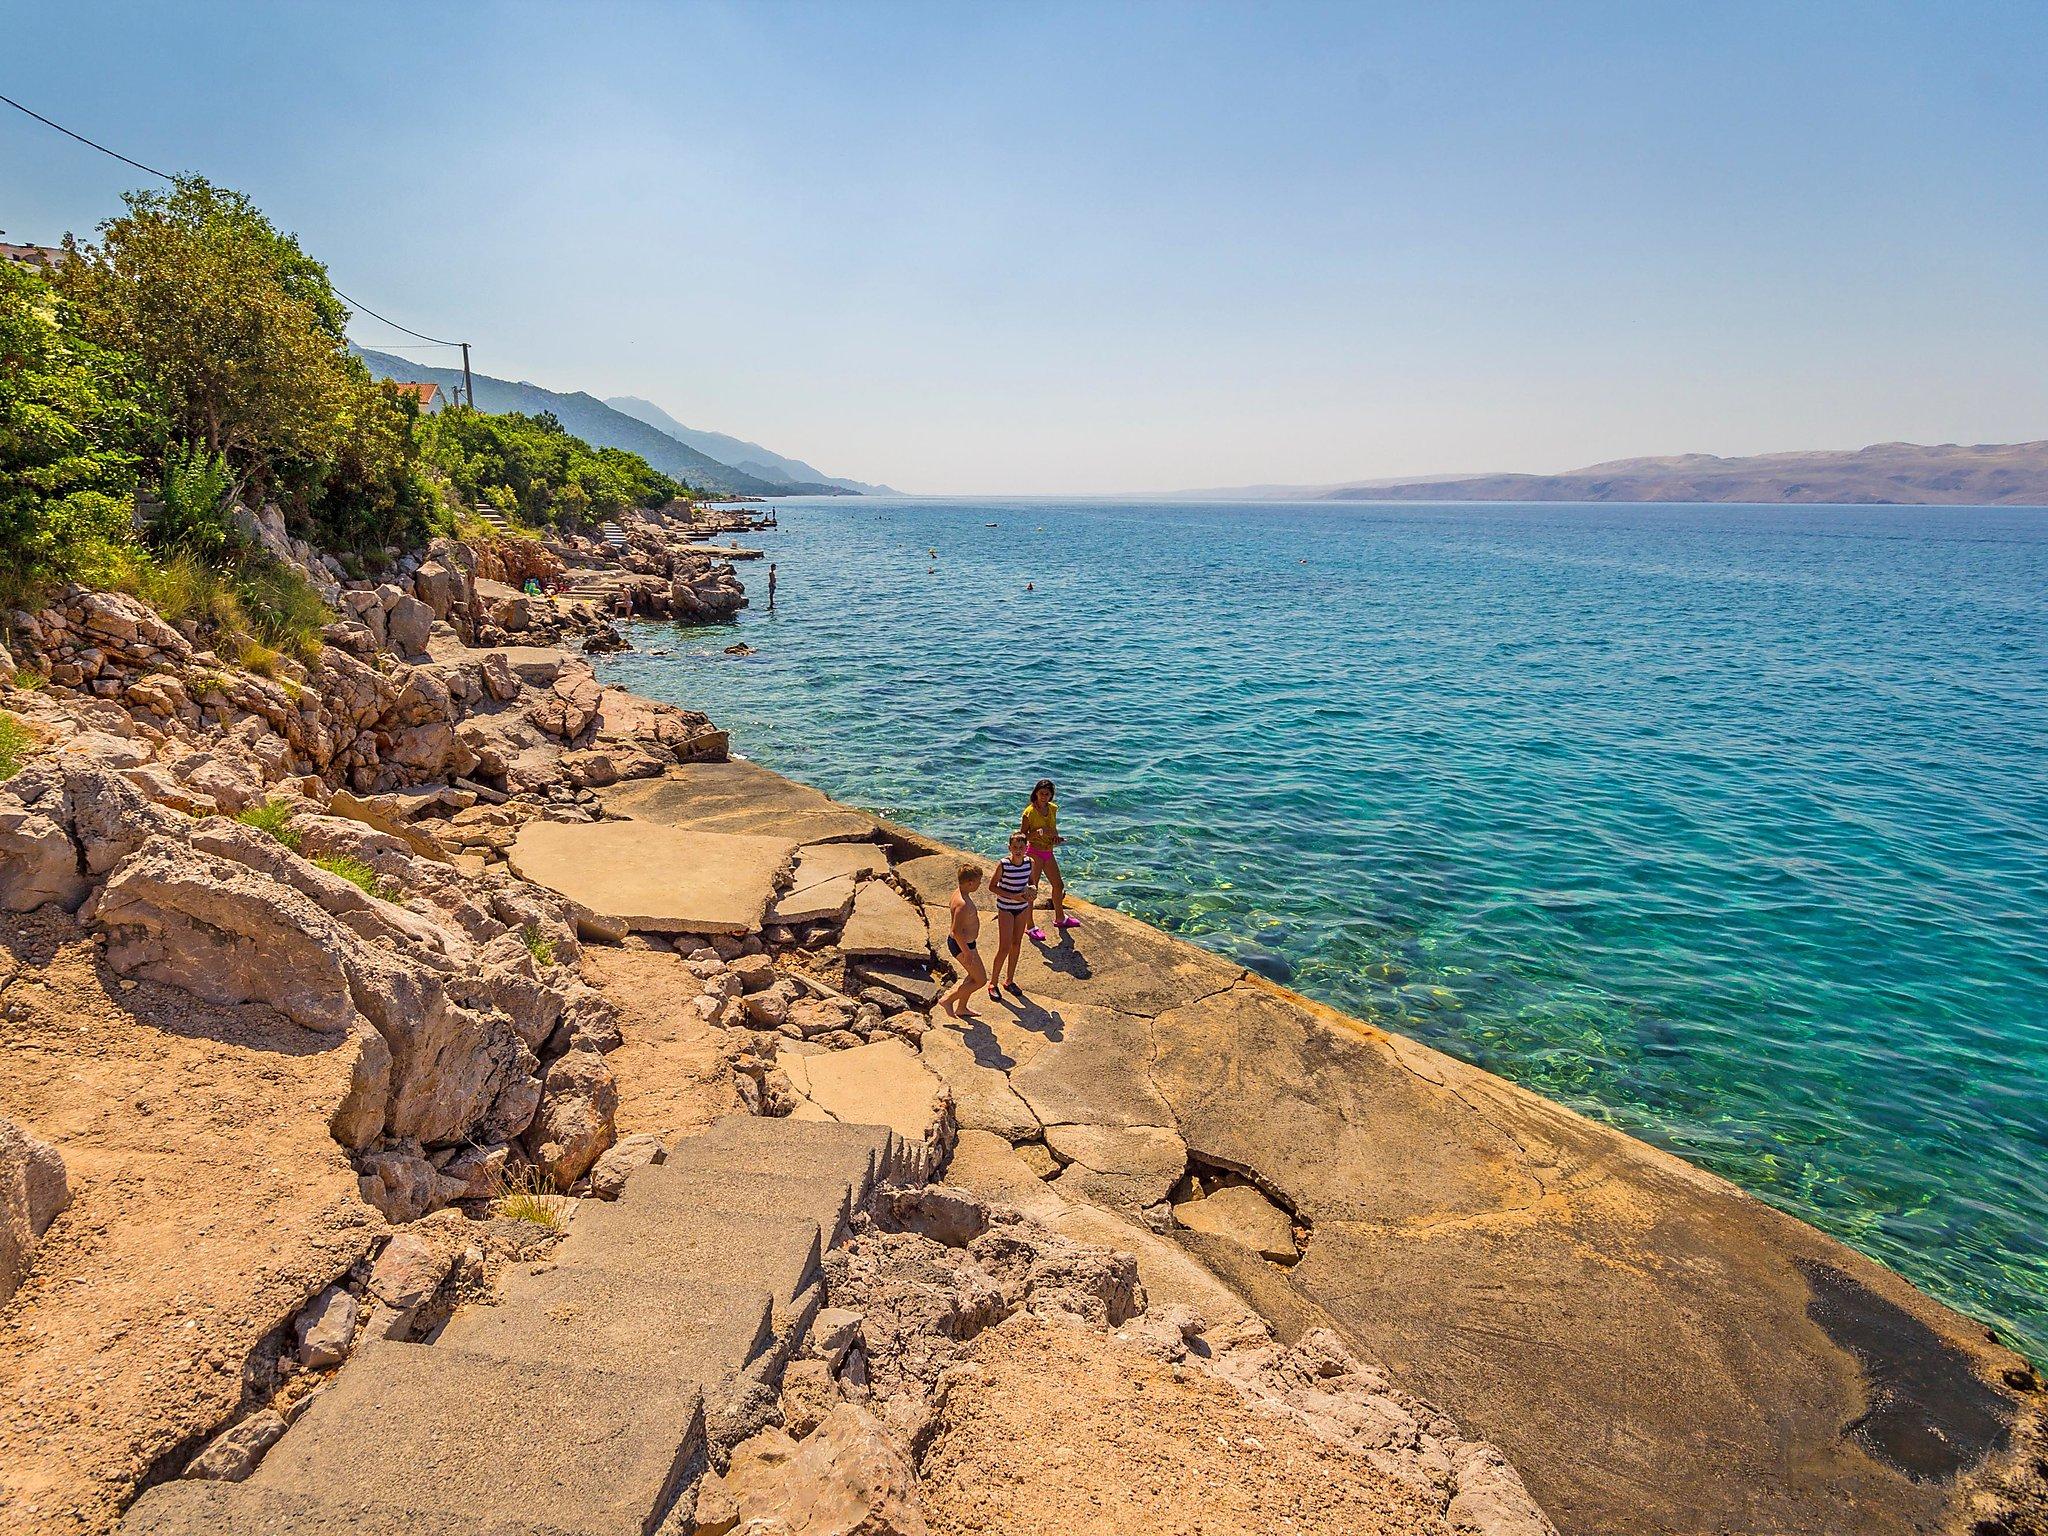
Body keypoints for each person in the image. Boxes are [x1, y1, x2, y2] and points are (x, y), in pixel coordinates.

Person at [1020, 778, 1077, 942]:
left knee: (1058, 885)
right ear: (1036, 793)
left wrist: (1056, 838)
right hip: (1034, 853)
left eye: (1047, 794)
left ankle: (1060, 919)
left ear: (1051, 795)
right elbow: (1022, 837)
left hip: (1048, 851)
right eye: (1041, 793)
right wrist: (1038, 833)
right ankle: (1029, 926)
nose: (1044, 797)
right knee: (1032, 890)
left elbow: (1052, 828)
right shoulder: (1029, 813)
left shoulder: (1052, 809)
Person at [987, 832, 1037, 999]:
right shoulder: (1004, 865)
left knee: (1017, 943)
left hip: (1022, 907)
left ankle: (1009, 980)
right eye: (1014, 847)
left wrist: (1032, 890)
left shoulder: (1030, 863)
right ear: (1009, 848)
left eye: (1021, 847)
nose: (1018, 850)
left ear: (1026, 848)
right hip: (1006, 908)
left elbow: (1031, 881)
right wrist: (1011, 896)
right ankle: (993, 982)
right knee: (1004, 947)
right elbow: (992, 887)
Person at [938, 865, 987, 1019]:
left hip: (967, 944)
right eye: (979, 882)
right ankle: (948, 1000)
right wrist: (967, 952)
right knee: (980, 980)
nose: (980, 884)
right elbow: (956, 931)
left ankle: (962, 1008)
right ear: (970, 883)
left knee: (972, 976)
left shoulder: (959, 893)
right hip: (962, 946)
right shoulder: (962, 904)